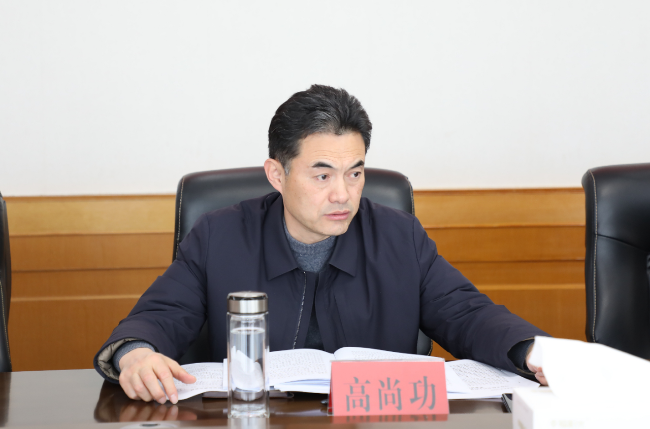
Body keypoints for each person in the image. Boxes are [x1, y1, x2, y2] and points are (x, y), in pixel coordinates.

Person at [94, 84, 549, 404]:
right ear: (277, 174)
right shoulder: (220, 235)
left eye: (355, 173)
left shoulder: (399, 236)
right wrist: (137, 354)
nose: (343, 195)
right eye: (322, 175)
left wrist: (531, 351)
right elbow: (161, 314)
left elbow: (467, 313)